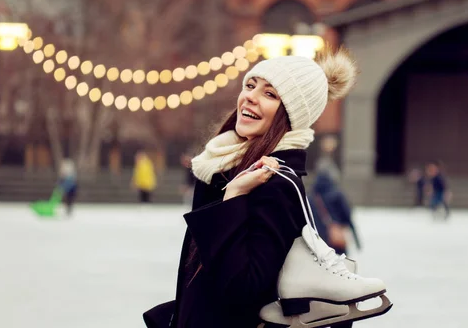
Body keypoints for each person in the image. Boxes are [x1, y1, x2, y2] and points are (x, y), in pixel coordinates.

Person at [143, 50, 389, 328]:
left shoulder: (274, 182)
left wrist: (232, 199)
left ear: (291, 114)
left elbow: (244, 290)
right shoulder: (222, 166)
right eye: (250, 85)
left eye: (270, 94)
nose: (250, 96)